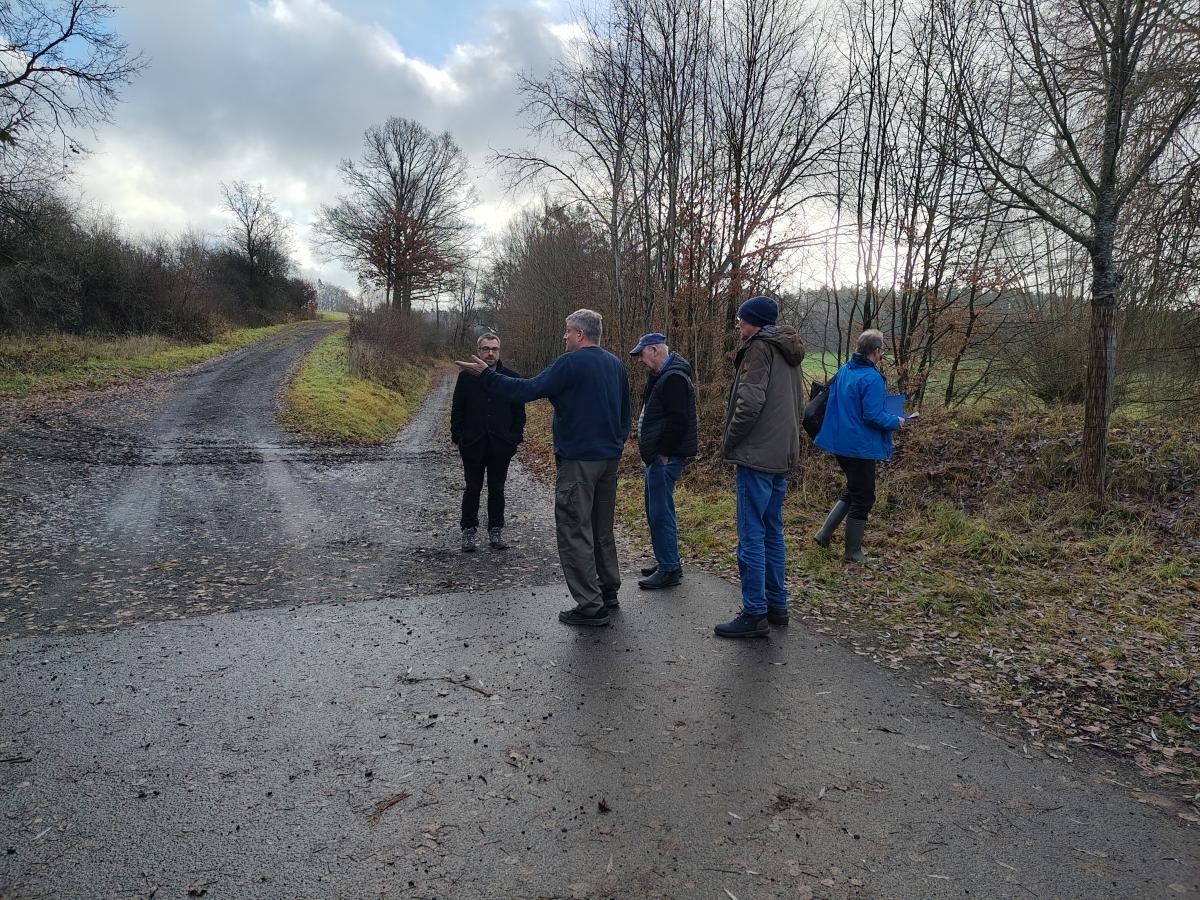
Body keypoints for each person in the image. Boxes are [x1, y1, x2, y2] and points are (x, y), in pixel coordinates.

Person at [455, 309, 631, 627]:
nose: (564, 336)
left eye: (567, 331)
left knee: (574, 529)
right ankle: (608, 591)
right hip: (609, 461)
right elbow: (625, 413)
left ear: (580, 334)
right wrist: (616, 446)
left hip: (579, 462)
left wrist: (485, 375)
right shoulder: (615, 364)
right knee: (601, 528)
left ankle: (590, 606)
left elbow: (527, 390)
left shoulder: (570, 363)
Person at [715, 295, 806, 639]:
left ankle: (754, 612)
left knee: (751, 534)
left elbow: (749, 403)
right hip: (781, 455)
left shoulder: (759, 349)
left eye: (741, 319)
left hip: (756, 456)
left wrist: (730, 442)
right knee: (772, 531)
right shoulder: (789, 352)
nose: (738, 324)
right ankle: (777, 605)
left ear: (754, 321)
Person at [813, 328, 906, 563]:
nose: (882, 353)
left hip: (841, 441)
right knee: (864, 496)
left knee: (854, 489)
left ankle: (823, 535)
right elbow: (872, 416)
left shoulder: (846, 369)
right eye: (882, 349)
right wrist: (897, 421)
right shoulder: (872, 378)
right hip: (859, 445)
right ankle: (853, 552)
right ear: (876, 351)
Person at [629, 333, 698, 590]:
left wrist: (664, 452)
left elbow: (679, 420)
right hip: (658, 457)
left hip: (664, 458)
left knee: (660, 512)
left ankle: (669, 568)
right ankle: (667, 561)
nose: (640, 361)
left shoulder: (674, 378)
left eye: (642, 354)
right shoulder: (662, 376)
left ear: (655, 351)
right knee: (655, 509)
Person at [450, 332, 526, 553]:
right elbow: (457, 410)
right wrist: (459, 437)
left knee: (497, 488)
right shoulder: (466, 377)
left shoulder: (511, 377)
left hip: (501, 445)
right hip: (472, 444)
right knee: (472, 488)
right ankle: (468, 532)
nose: (490, 353)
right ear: (479, 351)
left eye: (494, 349)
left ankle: (496, 531)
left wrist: (514, 439)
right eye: (486, 349)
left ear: (499, 351)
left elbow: (519, 413)